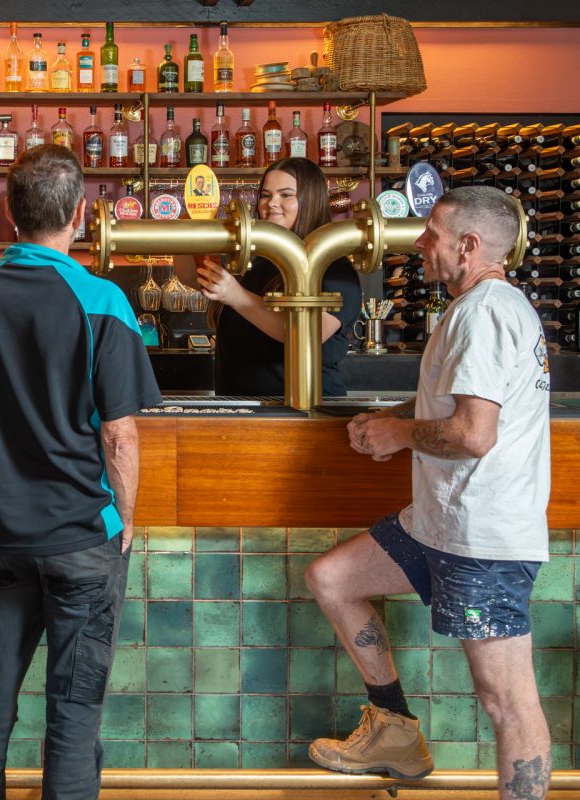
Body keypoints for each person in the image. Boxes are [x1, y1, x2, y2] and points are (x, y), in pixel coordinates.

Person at [304, 187, 551, 799]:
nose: (418, 244)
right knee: (333, 579)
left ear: (468, 247)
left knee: (506, 702)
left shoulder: (487, 311)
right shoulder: (472, 309)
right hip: (437, 525)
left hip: (482, 539)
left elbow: (473, 432)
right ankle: (395, 732)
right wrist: (394, 419)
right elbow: (456, 406)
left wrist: (400, 431)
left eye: (431, 234)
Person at [0, 144, 161, 800]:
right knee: (73, 709)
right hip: (83, 537)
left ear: (9, 214)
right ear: (81, 215)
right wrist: (127, 518)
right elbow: (119, 436)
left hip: (1, 534)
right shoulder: (103, 299)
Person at [176, 157, 361, 396]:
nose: (271, 203)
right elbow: (191, 276)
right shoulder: (256, 258)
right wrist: (186, 227)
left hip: (306, 412)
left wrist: (237, 296)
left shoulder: (334, 267)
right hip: (243, 410)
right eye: (265, 195)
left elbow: (306, 334)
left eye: (285, 195)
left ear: (311, 200)